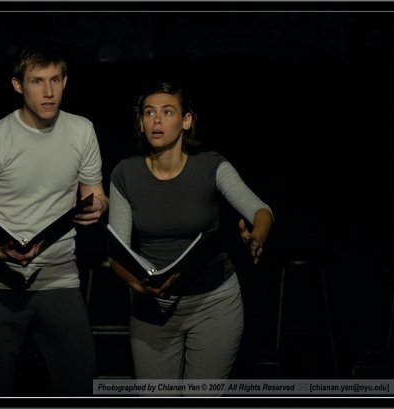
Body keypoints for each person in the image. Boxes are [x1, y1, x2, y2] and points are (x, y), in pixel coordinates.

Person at [0, 45, 109, 397]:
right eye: (37, 81)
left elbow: (97, 193)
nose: (48, 92)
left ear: (65, 81)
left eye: (55, 80)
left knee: (82, 384)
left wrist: (98, 207)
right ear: (17, 85)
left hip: (58, 277)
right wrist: (0, 250)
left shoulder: (81, 130)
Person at [108, 80, 274, 391]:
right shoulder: (125, 174)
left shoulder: (211, 165)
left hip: (213, 304)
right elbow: (117, 254)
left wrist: (257, 235)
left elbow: (260, 211)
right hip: (151, 311)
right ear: (140, 123)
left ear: (186, 121)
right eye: (149, 113)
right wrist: (138, 285)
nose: (157, 120)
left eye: (167, 112)